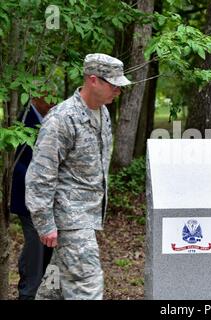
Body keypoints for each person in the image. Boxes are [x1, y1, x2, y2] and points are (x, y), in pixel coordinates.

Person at [25, 53, 131, 300]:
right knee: (87, 288)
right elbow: (40, 175)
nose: (118, 90)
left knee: (54, 289)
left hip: (87, 216)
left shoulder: (102, 113)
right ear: (93, 80)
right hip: (71, 220)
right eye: (113, 84)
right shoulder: (62, 119)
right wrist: (45, 223)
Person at [10, 96, 54, 300]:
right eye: (49, 99)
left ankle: (41, 288)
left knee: (45, 247)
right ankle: (28, 291)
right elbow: (21, 163)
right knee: (35, 246)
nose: (53, 103)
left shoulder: (44, 118)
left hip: (45, 198)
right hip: (29, 198)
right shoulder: (26, 120)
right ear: (37, 98)